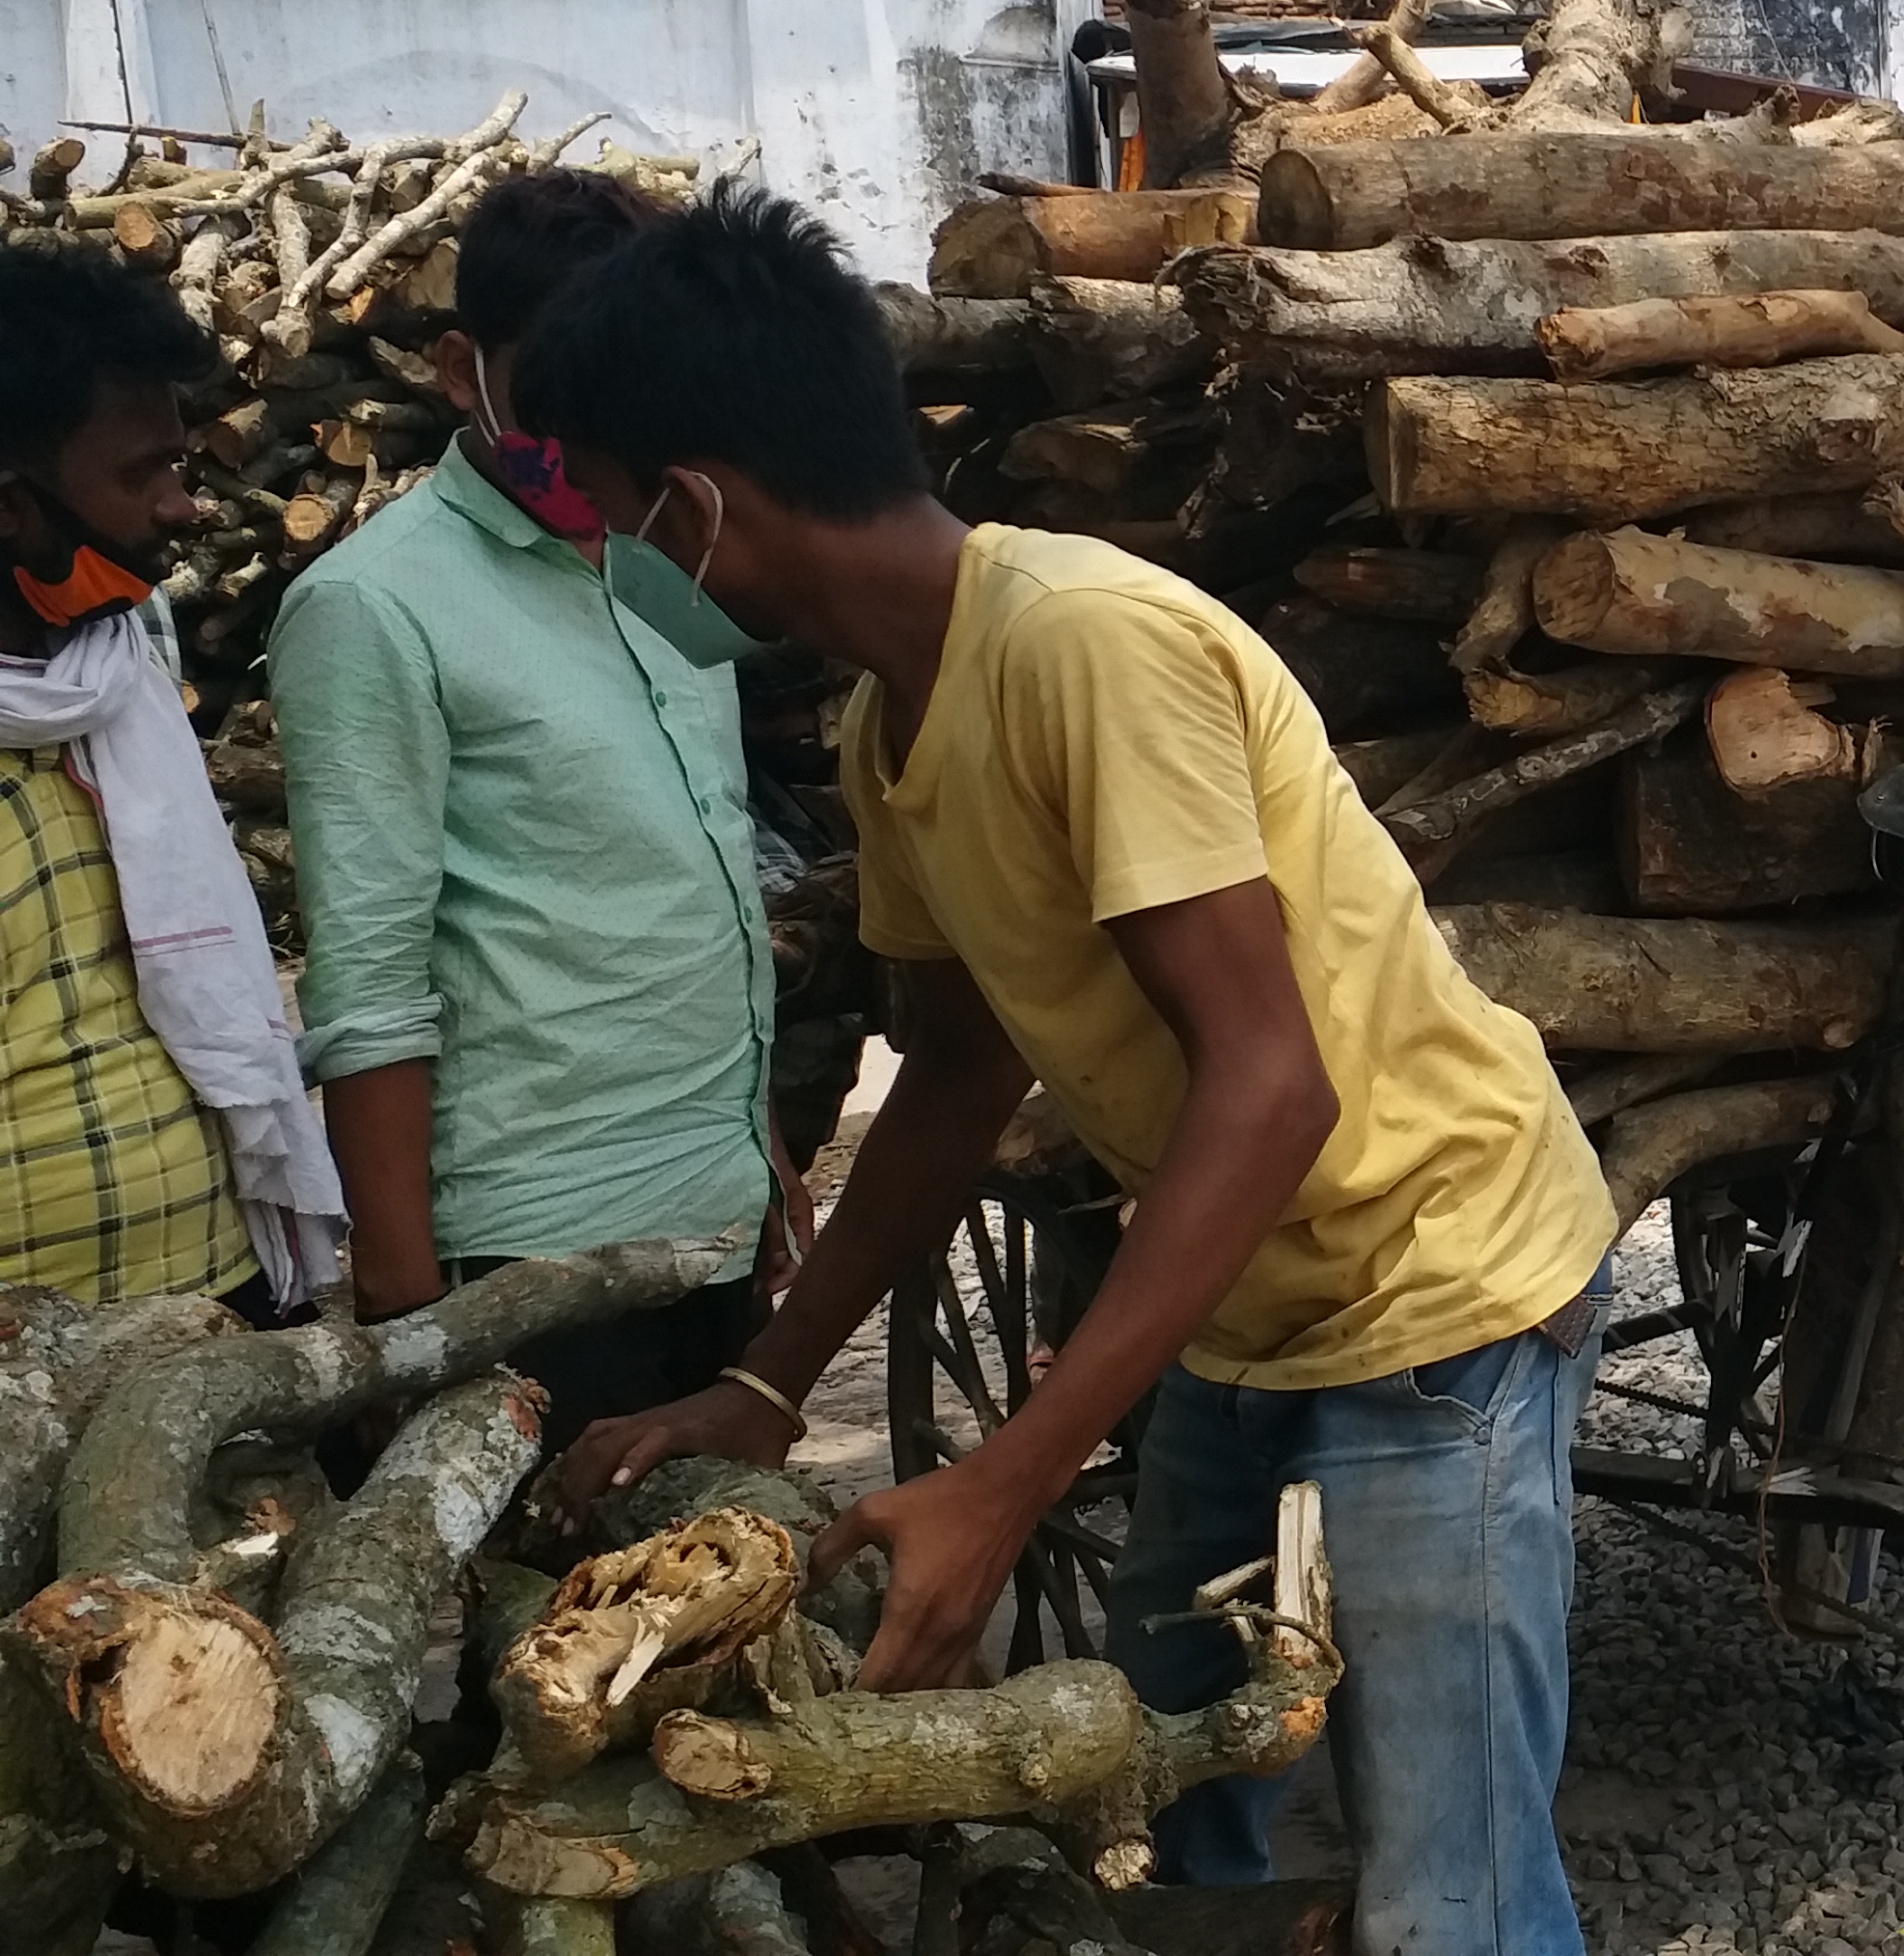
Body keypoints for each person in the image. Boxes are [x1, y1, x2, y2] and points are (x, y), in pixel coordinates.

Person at [534, 188, 1616, 1956]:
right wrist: (762, 1379)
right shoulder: (896, 727)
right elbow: (952, 1077)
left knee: (1451, 1889)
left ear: (701, 510)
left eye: (607, 510)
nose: (612, 561)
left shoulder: (1078, 646)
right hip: (1240, 1312)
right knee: (1167, 1792)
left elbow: (1271, 1086)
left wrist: (1006, 1473)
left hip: (1434, 1302)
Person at [276, 172, 779, 1444]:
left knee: (749, 1610)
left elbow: (717, 875)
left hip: (716, 1221)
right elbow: (368, 974)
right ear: (462, 370)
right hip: (535, 1266)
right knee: (569, 1633)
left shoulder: (668, 562)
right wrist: (407, 1308)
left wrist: (767, 1166)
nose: (604, 427)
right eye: (562, 387)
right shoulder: (372, 609)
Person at [0, 241, 344, 1308]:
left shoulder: (117, 675)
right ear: (10, 506)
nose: (183, 510)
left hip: (221, 1296)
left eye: (180, 469)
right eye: (141, 476)